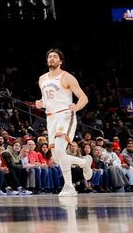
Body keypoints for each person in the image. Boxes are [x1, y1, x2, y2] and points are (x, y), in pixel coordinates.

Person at [36, 48, 93, 196]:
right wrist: (40, 103)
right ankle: (84, 162)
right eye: (49, 57)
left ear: (60, 61)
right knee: (55, 157)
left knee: (61, 149)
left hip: (65, 115)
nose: (51, 59)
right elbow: (49, 98)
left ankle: (69, 186)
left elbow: (83, 98)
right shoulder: (42, 79)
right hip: (50, 117)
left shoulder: (67, 77)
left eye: (55, 57)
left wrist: (76, 107)